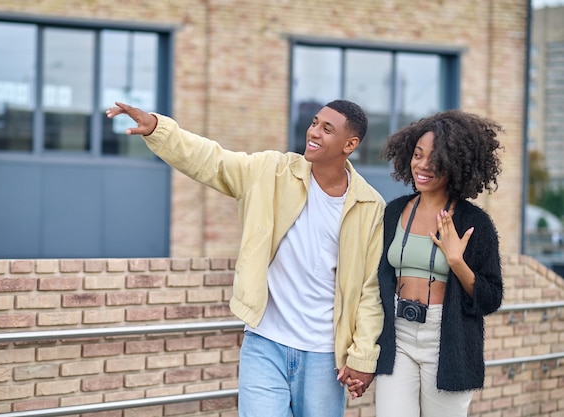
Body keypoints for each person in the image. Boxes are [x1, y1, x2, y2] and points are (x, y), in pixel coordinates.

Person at [106, 100, 386, 417]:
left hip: (324, 354)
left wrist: (362, 356)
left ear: (350, 144)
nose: (314, 132)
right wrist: (160, 129)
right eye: (314, 123)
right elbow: (213, 161)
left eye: (327, 128)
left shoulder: (369, 206)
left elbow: (369, 289)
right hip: (265, 342)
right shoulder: (270, 171)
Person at [373, 110, 505, 417]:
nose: (423, 165)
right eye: (418, 155)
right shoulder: (393, 212)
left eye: (436, 158)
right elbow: (377, 278)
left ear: (456, 164)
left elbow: (491, 298)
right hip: (398, 334)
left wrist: (457, 261)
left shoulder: (475, 223)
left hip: (446, 339)